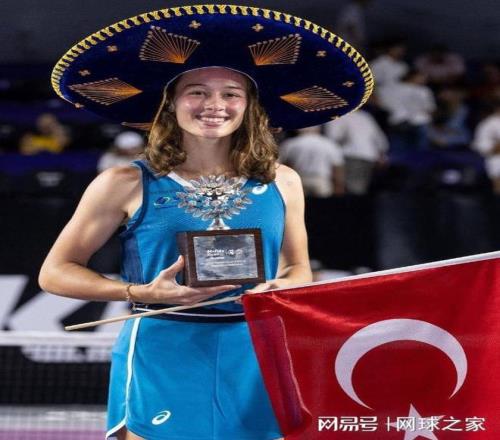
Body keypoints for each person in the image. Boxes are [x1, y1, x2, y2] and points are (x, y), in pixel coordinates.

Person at [39, 5, 372, 440]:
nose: (215, 105)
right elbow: (55, 273)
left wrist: (278, 289)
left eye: (231, 94)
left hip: (256, 349)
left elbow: (298, 269)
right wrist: (137, 292)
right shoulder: (123, 182)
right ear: (171, 103)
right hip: (163, 347)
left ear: (249, 106)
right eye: (197, 92)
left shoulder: (283, 181)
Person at [324, 109, 388, 194]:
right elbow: (381, 140)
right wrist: (382, 156)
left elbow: (333, 138)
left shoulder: (337, 115)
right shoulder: (365, 116)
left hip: (350, 156)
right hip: (368, 157)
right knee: (360, 189)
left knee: (349, 190)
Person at [279, 126, 345, 197]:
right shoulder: (329, 144)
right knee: (323, 204)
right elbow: (337, 167)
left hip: (299, 180)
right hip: (321, 180)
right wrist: (338, 185)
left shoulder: (290, 144)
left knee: (302, 203)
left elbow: (282, 165)